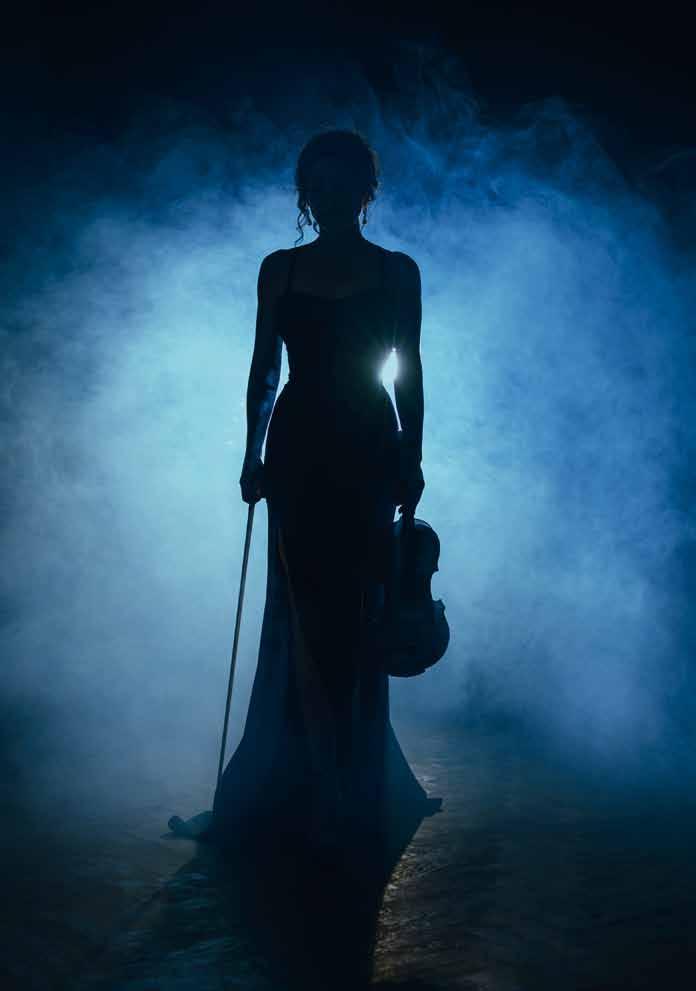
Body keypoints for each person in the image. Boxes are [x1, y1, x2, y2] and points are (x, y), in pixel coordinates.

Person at [171, 129, 441, 859]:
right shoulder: (281, 270)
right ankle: (311, 783)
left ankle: (345, 785)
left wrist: (412, 456)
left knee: (356, 607)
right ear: (305, 194)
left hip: (367, 444)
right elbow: (264, 367)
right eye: (316, 186)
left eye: (341, 184)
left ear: (365, 192)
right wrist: (252, 451)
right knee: (302, 608)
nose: (328, 197)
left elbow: (409, 369)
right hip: (300, 445)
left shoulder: (396, 271)